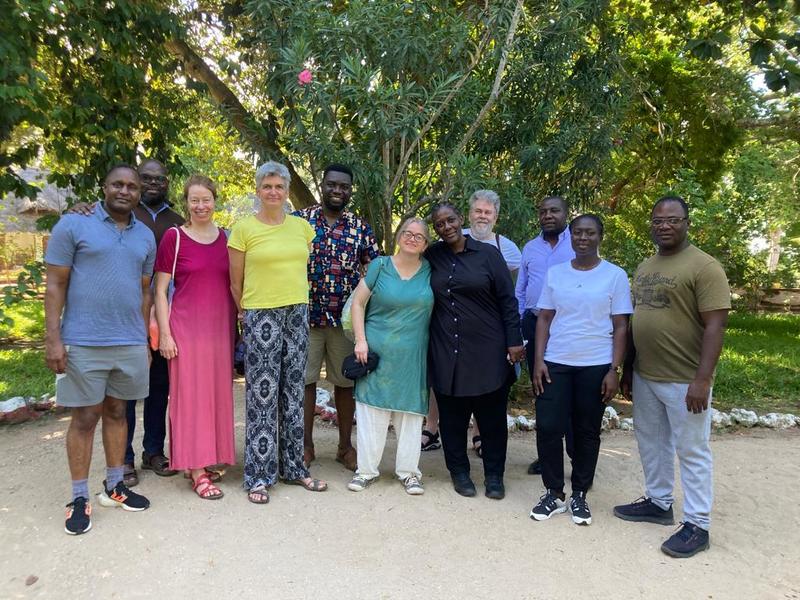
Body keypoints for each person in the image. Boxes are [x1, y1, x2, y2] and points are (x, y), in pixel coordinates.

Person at [614, 196, 730, 558]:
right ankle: (658, 502)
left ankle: (698, 525)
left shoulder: (704, 266)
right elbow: (637, 320)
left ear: (686, 223)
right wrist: (629, 367)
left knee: (692, 450)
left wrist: (702, 379)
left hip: (685, 379)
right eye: (658, 220)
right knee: (651, 441)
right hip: (648, 373)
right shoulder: (647, 265)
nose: (664, 226)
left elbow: (716, 325)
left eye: (673, 220)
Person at [45, 164, 155, 535]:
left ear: (139, 193)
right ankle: (78, 496)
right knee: (84, 418)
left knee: (117, 411)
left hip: (128, 341)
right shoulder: (74, 225)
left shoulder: (144, 236)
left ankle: (114, 486)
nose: (125, 191)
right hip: (84, 341)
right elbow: (55, 285)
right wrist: (53, 338)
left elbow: (144, 291)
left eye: (132, 186)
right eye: (117, 184)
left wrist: (143, 340)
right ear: (104, 187)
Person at [67, 159, 184, 486]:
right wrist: (80, 209)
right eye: (145, 179)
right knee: (124, 395)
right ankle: (125, 460)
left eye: (159, 179)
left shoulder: (178, 222)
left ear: (167, 183)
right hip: (126, 317)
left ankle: (153, 450)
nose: (152, 184)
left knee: (159, 386)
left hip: (167, 315)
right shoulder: (121, 216)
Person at [228, 161, 328, 505]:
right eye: (267, 186)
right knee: (262, 394)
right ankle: (259, 474)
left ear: (286, 192)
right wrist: (248, 313)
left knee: (292, 391)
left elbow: (302, 269)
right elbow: (234, 281)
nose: (273, 192)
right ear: (258, 190)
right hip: (261, 315)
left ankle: (294, 467)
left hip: (297, 312)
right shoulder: (243, 229)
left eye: (279, 187)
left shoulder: (302, 228)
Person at [528, 215, 632, 525]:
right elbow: (544, 318)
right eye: (577, 232)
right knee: (548, 427)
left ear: (600, 236)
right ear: (570, 236)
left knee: (587, 431)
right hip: (556, 362)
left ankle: (580, 494)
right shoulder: (556, 273)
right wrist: (538, 360)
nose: (583, 238)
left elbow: (621, 325)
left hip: (596, 364)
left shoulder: (614, 275)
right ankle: (554, 493)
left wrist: (615, 369)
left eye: (589, 232)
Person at [426, 202, 525, 500]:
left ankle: (495, 476)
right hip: (447, 350)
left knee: (492, 418)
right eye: (440, 224)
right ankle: (459, 472)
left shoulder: (489, 255)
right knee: (453, 418)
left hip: (488, 350)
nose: (447, 227)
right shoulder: (433, 256)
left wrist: (514, 341)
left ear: (460, 220)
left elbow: (508, 301)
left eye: (451, 220)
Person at [154, 175, 236, 500]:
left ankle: (203, 459)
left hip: (220, 330)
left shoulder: (227, 239)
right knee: (190, 399)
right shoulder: (175, 238)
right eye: (194, 200)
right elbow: (160, 291)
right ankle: (196, 470)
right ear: (186, 203)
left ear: (215, 201)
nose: (200, 206)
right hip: (186, 330)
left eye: (206, 200)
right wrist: (165, 334)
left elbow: (234, 286)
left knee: (216, 395)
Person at [295, 164, 380, 471]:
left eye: (344, 187)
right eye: (332, 185)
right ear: (322, 185)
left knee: (345, 383)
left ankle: (345, 447)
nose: (337, 191)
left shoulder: (360, 227)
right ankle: (304, 445)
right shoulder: (299, 221)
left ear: (350, 191)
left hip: (344, 321)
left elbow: (375, 269)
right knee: (304, 381)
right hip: (304, 318)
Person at [346, 218, 433, 495]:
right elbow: (358, 304)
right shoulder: (379, 266)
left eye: (419, 236)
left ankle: (409, 473)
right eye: (407, 233)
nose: (412, 238)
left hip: (413, 354)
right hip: (376, 351)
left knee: (410, 413)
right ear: (398, 236)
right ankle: (366, 471)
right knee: (372, 409)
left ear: (426, 244)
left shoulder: (431, 270)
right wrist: (361, 341)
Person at [515, 196, 575, 475]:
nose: (548, 215)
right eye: (543, 211)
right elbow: (521, 290)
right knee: (542, 390)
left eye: (554, 210)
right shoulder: (530, 248)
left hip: (567, 328)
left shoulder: (579, 243)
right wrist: (516, 326)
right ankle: (547, 457)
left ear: (565, 213)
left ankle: (577, 458)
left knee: (571, 392)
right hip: (533, 323)